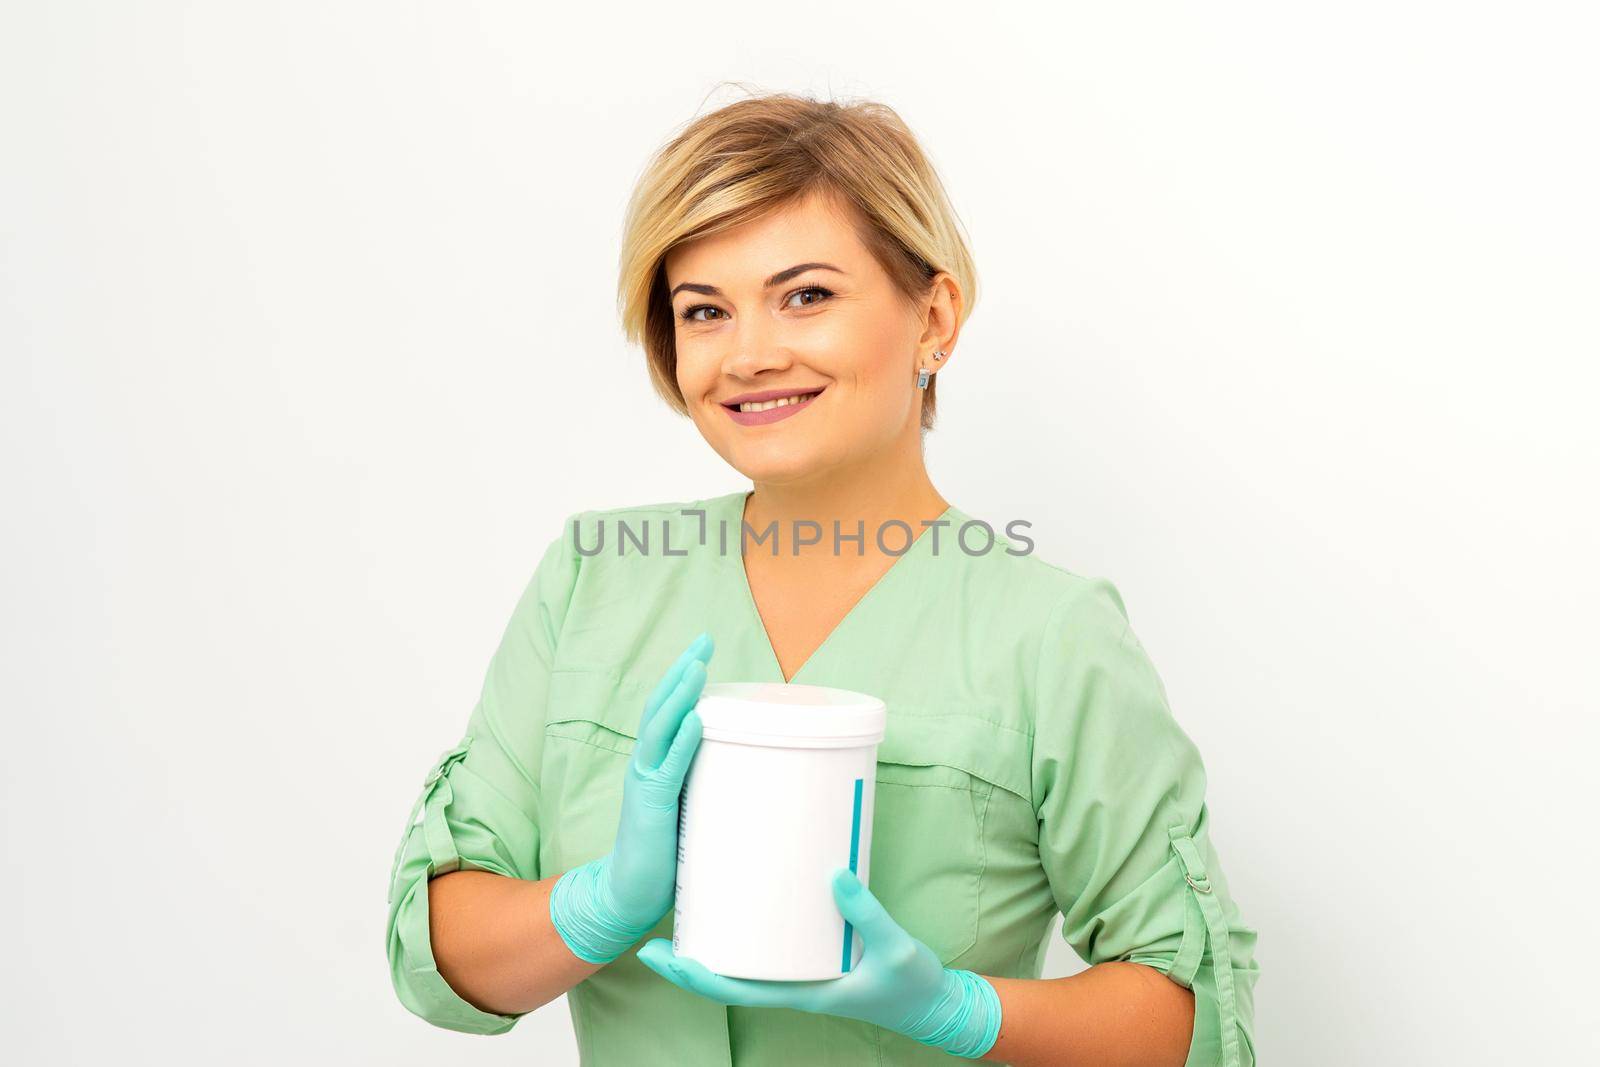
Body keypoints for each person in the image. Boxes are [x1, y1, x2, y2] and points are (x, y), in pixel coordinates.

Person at [385, 91, 1259, 1066]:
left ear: (934, 317)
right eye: (703, 311)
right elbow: (437, 948)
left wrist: (957, 1008)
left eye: (805, 295)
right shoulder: (591, 583)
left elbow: (1196, 1024)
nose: (751, 353)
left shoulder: (1049, 633)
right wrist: (596, 902)